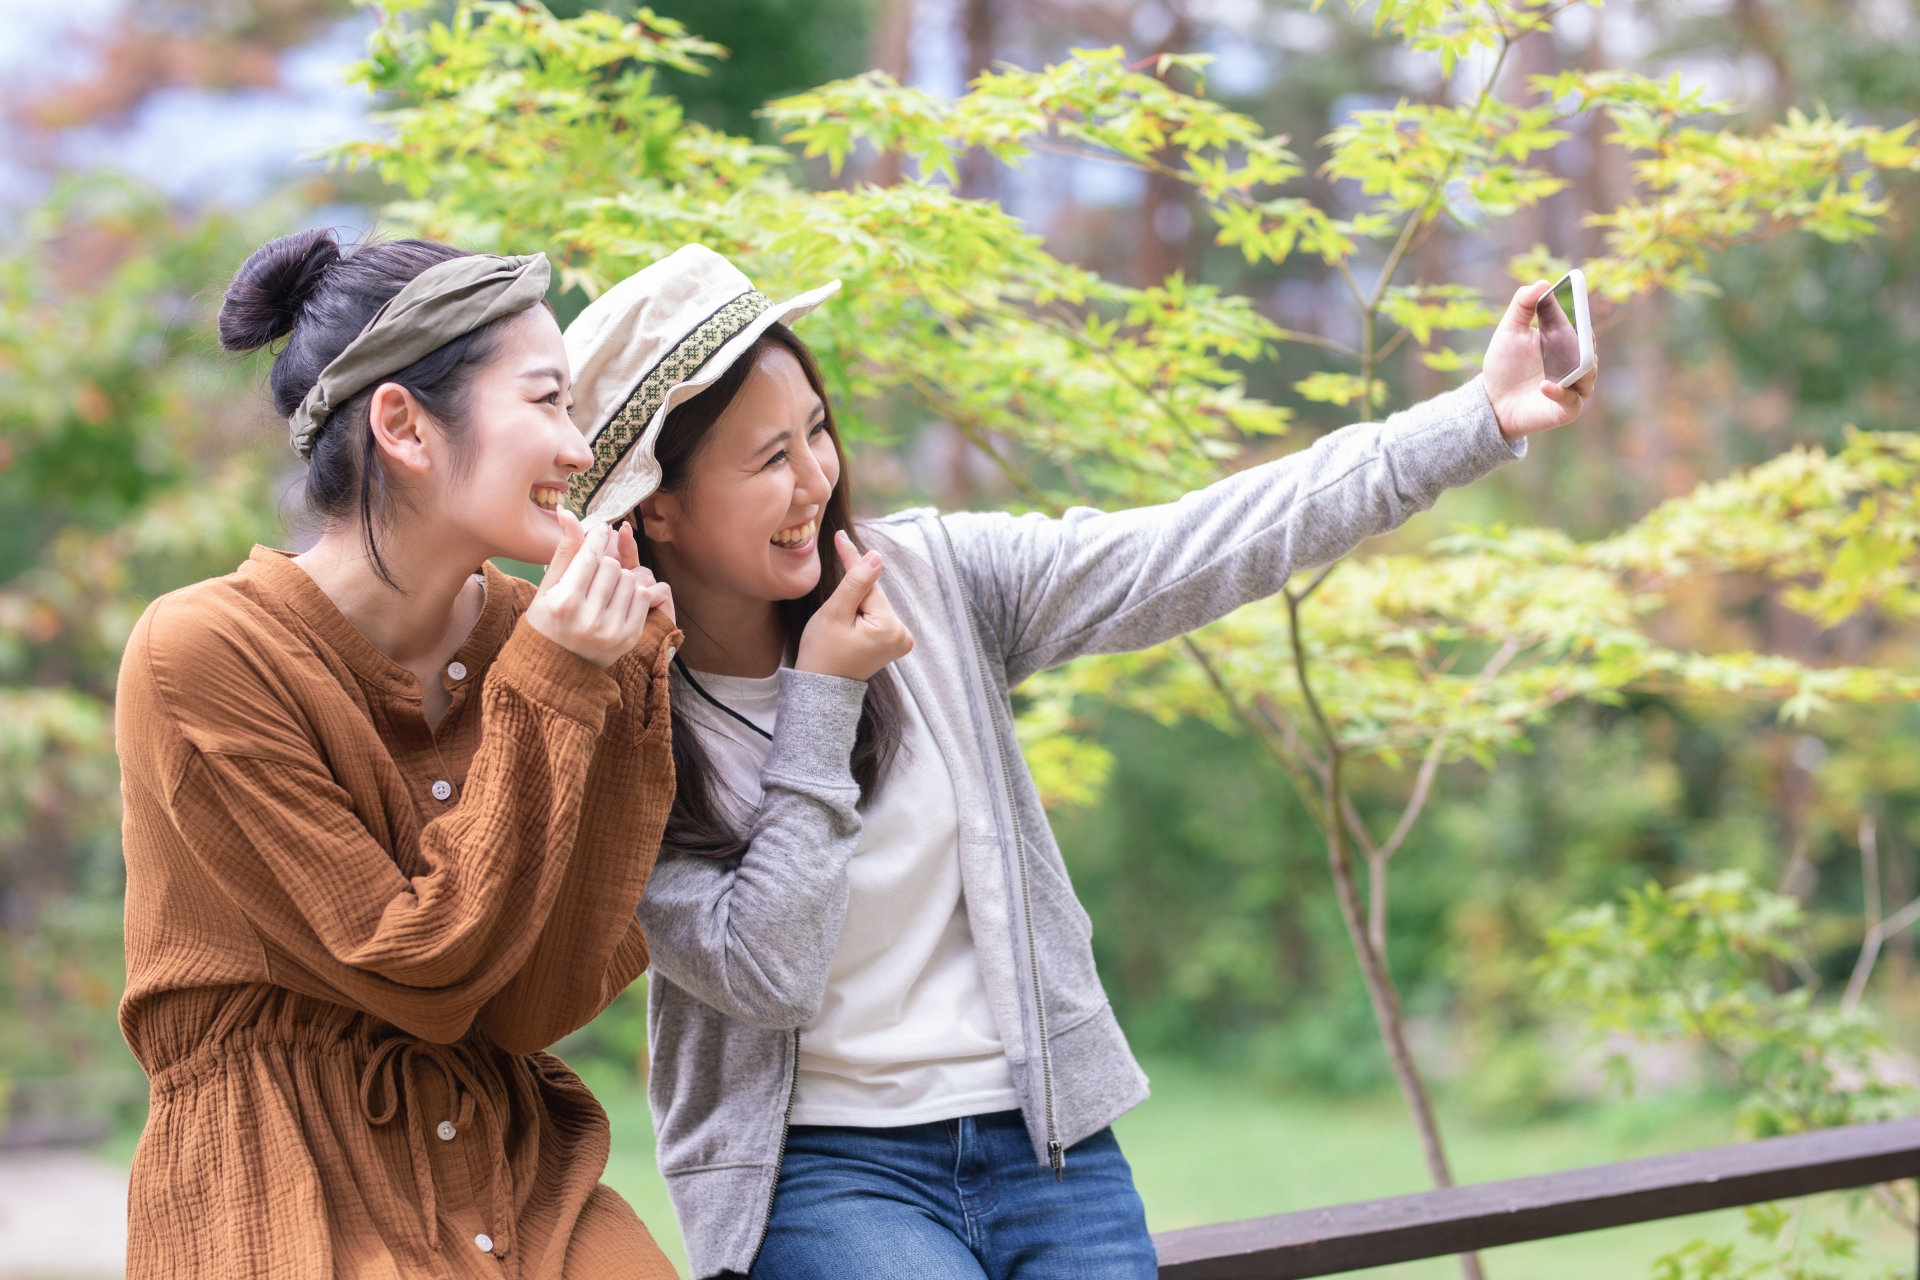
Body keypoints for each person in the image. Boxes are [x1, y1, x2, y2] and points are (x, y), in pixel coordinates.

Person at [562, 245, 1597, 1280]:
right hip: (821, 1172)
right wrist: (826, 693)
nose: (815, 478)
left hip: (1044, 1138)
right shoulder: (622, 729)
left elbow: (1189, 546)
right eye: (767, 459)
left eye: (817, 432)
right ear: (658, 506)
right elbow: (768, 971)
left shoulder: (928, 579)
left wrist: (1479, 417)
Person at [115, 230, 683, 1279]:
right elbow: (421, 968)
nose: (578, 447)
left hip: (514, 1159)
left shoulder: (550, 631)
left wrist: (623, 680)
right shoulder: (201, 652)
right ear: (404, 426)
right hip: (284, 1175)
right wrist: (556, 681)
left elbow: (529, 1006)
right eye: (546, 401)